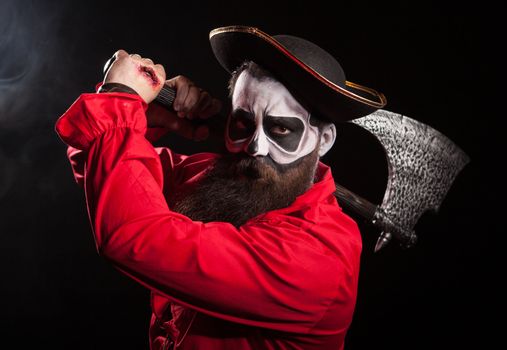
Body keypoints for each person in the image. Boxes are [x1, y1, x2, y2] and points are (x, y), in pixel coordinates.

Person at [55, 26, 386, 350]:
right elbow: (97, 164)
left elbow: (132, 236)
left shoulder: (317, 260)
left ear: (323, 139)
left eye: (281, 128)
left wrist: (122, 97)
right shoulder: (226, 179)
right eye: (243, 122)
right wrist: (146, 113)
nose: (255, 146)